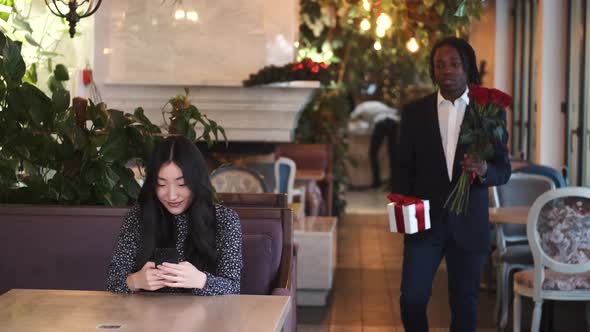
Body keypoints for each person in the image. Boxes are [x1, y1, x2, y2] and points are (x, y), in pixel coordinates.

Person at [394, 37, 511, 331]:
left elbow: (503, 168)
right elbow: (403, 169)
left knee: (464, 303)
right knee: (412, 298)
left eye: (455, 64)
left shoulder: (489, 111)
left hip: (469, 223)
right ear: (433, 71)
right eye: (440, 65)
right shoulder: (414, 113)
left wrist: (484, 169)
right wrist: (404, 214)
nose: (447, 70)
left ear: (467, 67)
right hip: (425, 225)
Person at [106, 136, 242, 295]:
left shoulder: (225, 220)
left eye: (182, 184)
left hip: (205, 317)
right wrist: (135, 281)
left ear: (196, 181)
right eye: (162, 184)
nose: (171, 196)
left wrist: (201, 280)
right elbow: (112, 282)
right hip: (147, 316)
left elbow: (233, 288)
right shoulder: (138, 217)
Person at [350, 100, 400, 189]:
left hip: (381, 123)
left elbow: (352, 117)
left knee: (373, 153)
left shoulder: (360, 107)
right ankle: (394, 182)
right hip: (394, 122)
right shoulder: (378, 104)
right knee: (393, 153)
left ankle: (377, 182)